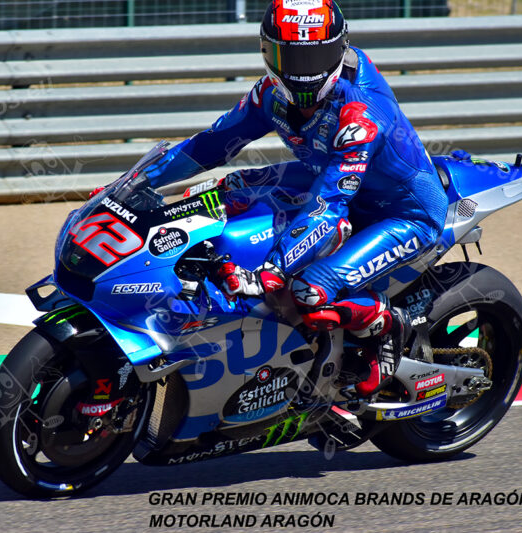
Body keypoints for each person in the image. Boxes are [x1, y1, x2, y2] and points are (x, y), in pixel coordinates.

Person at [137, 0, 448, 397]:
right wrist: (138, 184)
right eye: (291, 56)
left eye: (315, 55)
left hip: (402, 211)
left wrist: (273, 270)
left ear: (340, 48)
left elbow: (329, 207)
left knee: (307, 290)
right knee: (229, 189)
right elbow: (209, 145)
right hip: (331, 176)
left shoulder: (362, 115)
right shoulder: (269, 94)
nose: (304, 70)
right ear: (267, 51)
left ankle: (388, 324)